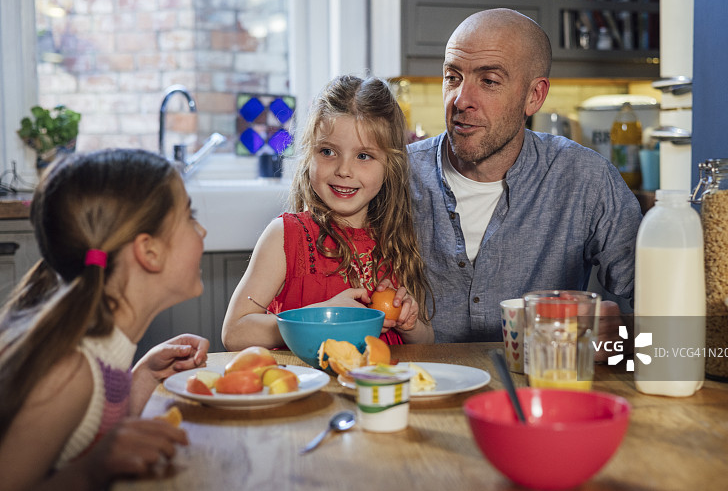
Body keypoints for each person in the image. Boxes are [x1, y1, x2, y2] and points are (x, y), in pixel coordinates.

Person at [407, 8, 641, 349]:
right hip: (423, 389)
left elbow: (660, 304)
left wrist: (620, 334)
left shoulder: (585, 179)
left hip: (542, 389)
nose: (460, 100)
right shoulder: (397, 175)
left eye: (488, 81)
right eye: (453, 77)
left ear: (534, 96)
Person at [0, 149, 210, 490]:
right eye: (190, 216)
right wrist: (90, 471)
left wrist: (143, 376)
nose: (201, 230)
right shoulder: (68, 373)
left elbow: (95, 427)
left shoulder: (95, 357)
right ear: (149, 252)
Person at [222, 75, 434, 351]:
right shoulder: (286, 236)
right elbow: (235, 332)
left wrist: (411, 324)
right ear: (309, 154)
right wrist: (319, 319)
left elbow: (428, 341)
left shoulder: (397, 238)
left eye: (363, 156)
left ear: (389, 166)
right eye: (328, 151)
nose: (344, 170)